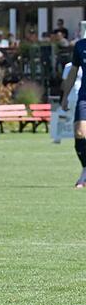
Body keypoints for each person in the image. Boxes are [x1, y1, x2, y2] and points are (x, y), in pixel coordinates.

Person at [60, 32, 86, 188]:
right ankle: (85, 170)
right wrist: (65, 96)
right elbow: (73, 72)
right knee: (79, 133)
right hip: (84, 96)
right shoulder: (80, 45)